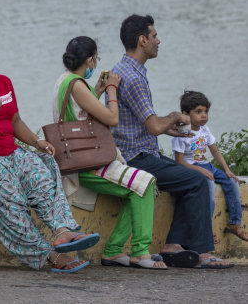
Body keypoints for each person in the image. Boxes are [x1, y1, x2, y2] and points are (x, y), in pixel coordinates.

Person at [0, 30, 98, 273]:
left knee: (42, 170)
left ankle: (63, 231)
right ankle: (49, 254)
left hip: (9, 151)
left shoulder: (4, 83)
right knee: (11, 202)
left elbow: (14, 121)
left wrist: (37, 142)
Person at [111, 14, 232, 269]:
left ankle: (173, 245)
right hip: (138, 157)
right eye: (154, 36)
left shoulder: (123, 69)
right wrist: (176, 117)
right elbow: (153, 126)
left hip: (135, 150)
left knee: (187, 179)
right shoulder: (133, 78)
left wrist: (169, 128)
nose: (158, 40)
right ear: (142, 40)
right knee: (198, 180)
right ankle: (201, 251)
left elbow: (142, 124)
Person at [53, 37, 163, 269]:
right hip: (87, 162)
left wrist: (97, 90)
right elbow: (112, 119)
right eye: (95, 58)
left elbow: (79, 114)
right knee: (146, 184)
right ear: (90, 59)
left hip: (77, 156)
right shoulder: (77, 84)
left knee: (136, 190)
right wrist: (112, 89)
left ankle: (113, 251)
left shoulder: (65, 80)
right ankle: (141, 252)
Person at [173, 90, 248, 243]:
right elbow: (180, 162)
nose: (204, 115)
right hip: (192, 168)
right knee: (210, 189)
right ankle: (205, 231)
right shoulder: (182, 133)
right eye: (198, 112)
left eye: (206, 111)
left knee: (232, 181)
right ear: (185, 113)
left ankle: (234, 223)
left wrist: (227, 170)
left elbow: (214, 151)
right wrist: (200, 170)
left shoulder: (204, 129)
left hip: (207, 166)